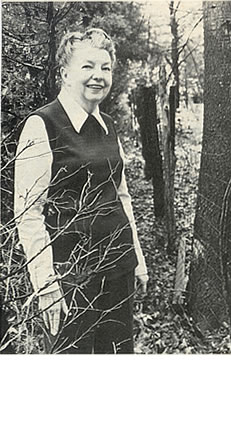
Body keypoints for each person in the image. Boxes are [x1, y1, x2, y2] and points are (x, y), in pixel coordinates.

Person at [14, 28, 148, 353]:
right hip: (71, 280)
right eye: (87, 66)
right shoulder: (42, 125)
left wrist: (138, 257)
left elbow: (122, 196)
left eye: (105, 68)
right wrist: (46, 285)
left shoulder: (109, 125)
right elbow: (28, 215)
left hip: (119, 271)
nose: (98, 76)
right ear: (64, 73)